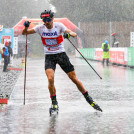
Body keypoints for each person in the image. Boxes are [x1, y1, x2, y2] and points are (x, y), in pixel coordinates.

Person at [22, 10, 102, 112]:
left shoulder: (59, 26)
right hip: (49, 56)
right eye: (44, 19)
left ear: (52, 19)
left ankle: (88, 98)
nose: (46, 22)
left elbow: (73, 33)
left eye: (48, 19)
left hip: (61, 55)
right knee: (50, 78)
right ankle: (54, 103)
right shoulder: (40, 28)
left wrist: (68, 35)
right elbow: (24, 33)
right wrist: (25, 27)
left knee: (73, 78)